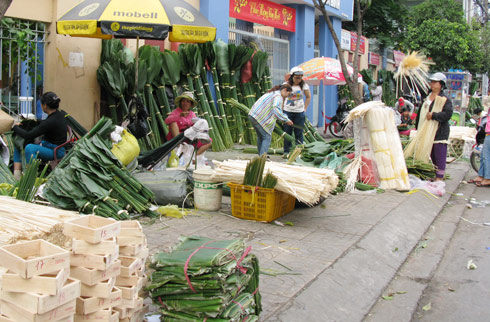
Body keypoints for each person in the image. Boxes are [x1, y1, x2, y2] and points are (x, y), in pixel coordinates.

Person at [12, 91, 68, 179]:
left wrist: (14, 127)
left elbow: (28, 135)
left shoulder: (49, 122)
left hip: (55, 151)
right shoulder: (59, 115)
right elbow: (43, 124)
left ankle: (30, 178)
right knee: (18, 144)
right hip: (52, 147)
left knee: (29, 148)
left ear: (44, 105)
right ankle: (17, 175)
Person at [415, 72, 453, 181]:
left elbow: (448, 114)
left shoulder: (444, 99)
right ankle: (436, 175)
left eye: (435, 82)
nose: (432, 84)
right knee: (432, 154)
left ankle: (439, 178)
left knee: (439, 154)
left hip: (439, 132)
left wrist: (434, 115)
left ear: (441, 84)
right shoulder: (427, 97)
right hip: (426, 131)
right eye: (431, 81)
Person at [248, 84, 293, 156]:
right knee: (267, 137)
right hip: (260, 117)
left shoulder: (273, 93)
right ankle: (263, 157)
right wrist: (285, 119)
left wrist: (281, 118)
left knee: (261, 136)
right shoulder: (278, 96)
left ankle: (260, 156)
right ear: (284, 90)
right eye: (288, 94)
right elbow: (275, 108)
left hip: (253, 115)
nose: (287, 96)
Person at [165, 91, 211, 156]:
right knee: (173, 123)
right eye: (183, 101)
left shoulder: (192, 114)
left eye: (188, 101)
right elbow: (167, 121)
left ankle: (193, 158)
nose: (185, 103)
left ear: (191, 104)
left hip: (188, 137)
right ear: (180, 102)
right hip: (177, 137)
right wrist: (179, 115)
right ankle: (179, 145)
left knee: (208, 142)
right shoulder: (176, 111)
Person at [282, 67, 311, 158]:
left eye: (300, 77)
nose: (298, 79)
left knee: (299, 133)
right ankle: (287, 151)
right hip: (288, 111)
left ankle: (298, 152)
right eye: (296, 77)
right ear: (292, 76)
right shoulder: (286, 84)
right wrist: (282, 108)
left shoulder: (304, 85)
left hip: (299, 113)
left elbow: (308, 96)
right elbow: (282, 97)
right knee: (287, 132)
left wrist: (305, 108)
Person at [468, 113, 490, 187]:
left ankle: (487, 178)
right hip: (487, 134)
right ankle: (480, 176)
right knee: (484, 155)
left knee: (486, 157)